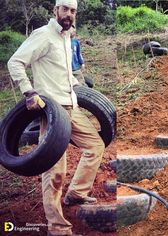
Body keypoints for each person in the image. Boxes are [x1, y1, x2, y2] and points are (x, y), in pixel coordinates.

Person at [7, 0, 105, 235]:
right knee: (55, 170)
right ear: (55, 10)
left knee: (95, 146)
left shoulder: (66, 37)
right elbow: (16, 62)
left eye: (73, 11)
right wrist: (29, 91)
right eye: (65, 9)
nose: (69, 14)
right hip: (53, 112)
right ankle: (58, 228)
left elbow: (63, 72)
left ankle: (77, 194)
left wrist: (75, 84)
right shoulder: (44, 35)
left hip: (72, 107)